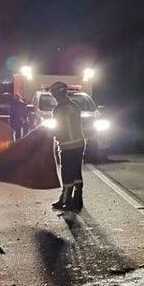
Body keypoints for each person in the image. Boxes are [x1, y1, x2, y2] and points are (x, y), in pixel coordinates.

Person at [49, 81, 86, 211]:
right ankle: (78, 199)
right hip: (79, 143)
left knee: (67, 174)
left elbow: (59, 128)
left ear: (57, 94)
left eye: (54, 95)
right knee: (76, 172)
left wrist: (47, 134)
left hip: (67, 146)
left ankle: (65, 201)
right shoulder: (75, 106)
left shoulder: (59, 109)